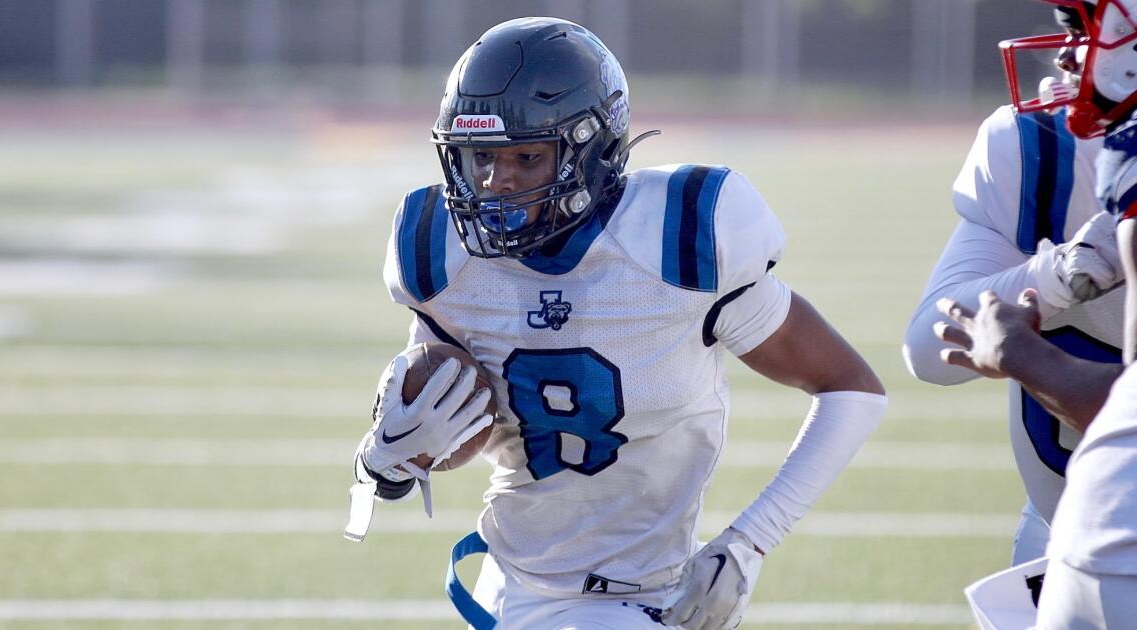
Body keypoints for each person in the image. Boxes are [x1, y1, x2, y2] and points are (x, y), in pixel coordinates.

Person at [344, 17, 887, 630]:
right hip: (509, 584)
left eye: (526, 156)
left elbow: (850, 388)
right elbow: (437, 401)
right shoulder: (444, 255)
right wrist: (384, 461)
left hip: (646, 596)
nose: (496, 183)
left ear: (591, 149)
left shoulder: (679, 240)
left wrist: (750, 542)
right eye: (481, 157)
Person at [901, 0, 1125, 567]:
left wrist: (1023, 353)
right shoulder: (1045, 151)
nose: (1066, 57)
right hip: (1065, 536)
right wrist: (1062, 271)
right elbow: (930, 345)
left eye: (1085, 31)